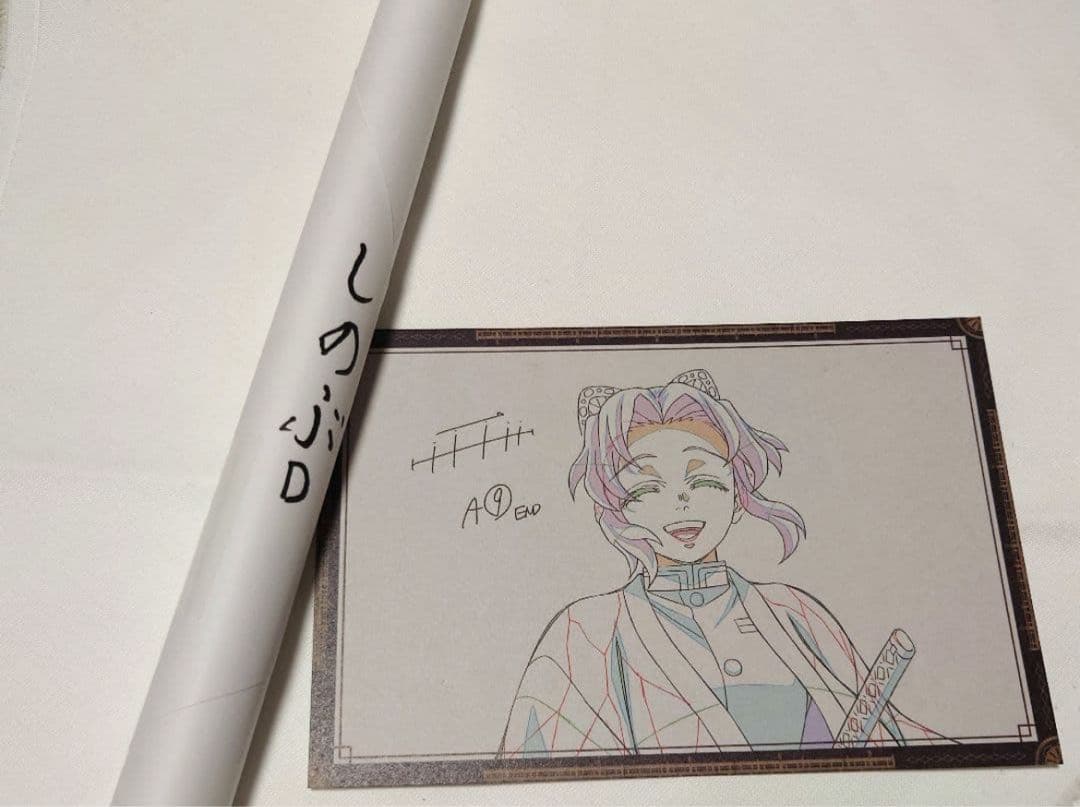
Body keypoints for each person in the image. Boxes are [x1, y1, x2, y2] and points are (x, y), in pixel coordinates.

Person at [498, 369, 944, 758]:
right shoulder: (585, 631)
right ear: (615, 508)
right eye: (648, 488)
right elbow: (542, 770)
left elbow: (901, 742)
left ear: (737, 495)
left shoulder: (794, 611)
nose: (681, 502)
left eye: (704, 480)